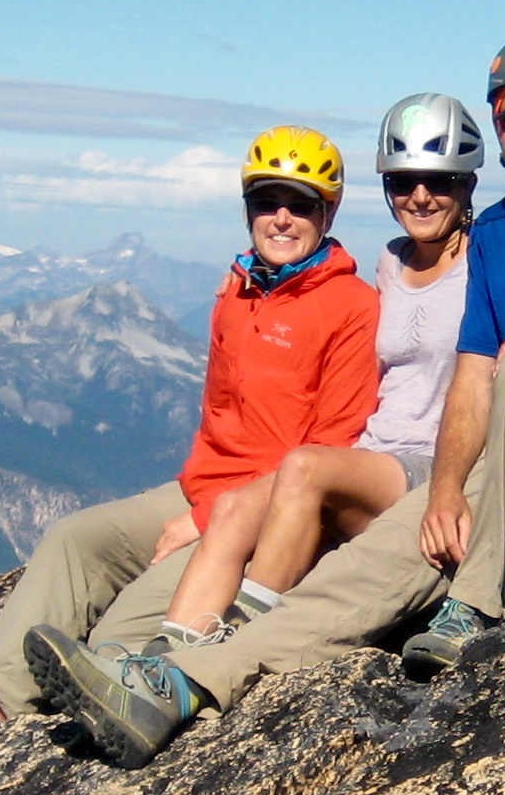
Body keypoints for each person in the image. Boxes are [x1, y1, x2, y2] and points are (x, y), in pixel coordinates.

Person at [30, 29, 505, 765]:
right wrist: (445, 487)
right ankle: (182, 684)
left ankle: (472, 607)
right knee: (372, 565)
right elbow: (472, 373)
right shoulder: (502, 235)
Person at [0, 126, 379, 722]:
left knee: (122, 628)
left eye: (301, 204)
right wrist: (195, 506)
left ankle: (93, 698)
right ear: (246, 209)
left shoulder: (353, 307)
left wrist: (205, 522)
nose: (281, 218)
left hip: (265, 518)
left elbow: (332, 447)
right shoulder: (238, 293)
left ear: (328, 211)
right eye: (266, 201)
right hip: (199, 490)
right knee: (71, 541)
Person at [157, 92, 487, 647]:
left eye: (441, 181)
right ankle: (167, 655)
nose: (421, 196)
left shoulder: (492, 262)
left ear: (467, 185)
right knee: (236, 507)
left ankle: (238, 639)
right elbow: (319, 286)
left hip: (434, 460)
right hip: (373, 457)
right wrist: (243, 280)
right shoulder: (391, 261)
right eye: (403, 182)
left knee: (304, 466)